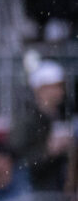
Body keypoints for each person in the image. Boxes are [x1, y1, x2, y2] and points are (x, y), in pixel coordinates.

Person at [10, 60, 69, 191]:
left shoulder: (62, 114)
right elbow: (19, 160)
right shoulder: (27, 119)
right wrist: (48, 152)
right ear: (40, 89)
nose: (59, 92)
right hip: (35, 189)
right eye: (54, 87)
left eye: (60, 86)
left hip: (56, 188)